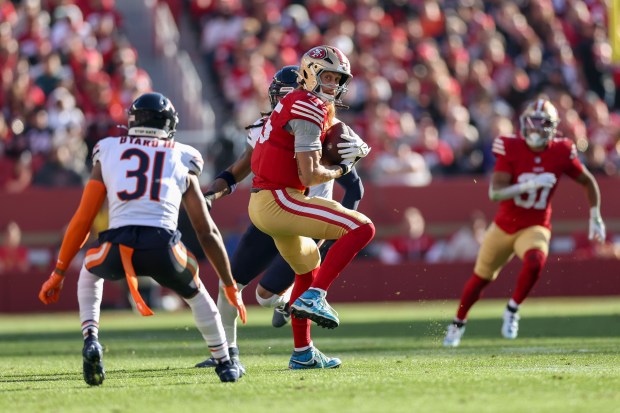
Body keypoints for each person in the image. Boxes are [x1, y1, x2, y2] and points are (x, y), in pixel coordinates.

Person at [37, 92, 247, 384]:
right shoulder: (182, 155)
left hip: (117, 245)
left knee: (89, 271)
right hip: (163, 246)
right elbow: (205, 229)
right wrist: (228, 283)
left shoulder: (108, 149)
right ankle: (225, 362)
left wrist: (58, 272)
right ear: (168, 125)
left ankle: (91, 339)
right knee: (197, 294)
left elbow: (83, 219)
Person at [195, 65, 366, 368]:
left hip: (308, 217)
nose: (291, 101)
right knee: (232, 284)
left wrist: (328, 239)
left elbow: (353, 187)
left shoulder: (325, 124)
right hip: (276, 208)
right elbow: (235, 173)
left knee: (268, 293)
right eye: (285, 96)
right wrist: (210, 196)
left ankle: (302, 344)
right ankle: (226, 352)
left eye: (295, 94)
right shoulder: (268, 127)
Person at [442, 98, 606, 347]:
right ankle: (457, 324)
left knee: (535, 261)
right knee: (480, 279)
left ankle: (512, 309)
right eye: (532, 122)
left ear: (552, 127)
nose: (536, 128)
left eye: (542, 123)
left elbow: (587, 181)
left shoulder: (561, 150)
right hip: (504, 225)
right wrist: (528, 185)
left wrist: (595, 215)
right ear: (524, 123)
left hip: (535, 224)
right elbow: (495, 193)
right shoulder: (511, 146)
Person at [249, 45, 375, 369]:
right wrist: (344, 167)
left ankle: (303, 353)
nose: (333, 84)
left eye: (337, 78)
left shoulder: (300, 103)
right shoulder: (307, 106)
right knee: (362, 227)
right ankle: (316, 296)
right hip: (280, 198)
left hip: (267, 199)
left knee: (308, 265)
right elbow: (309, 173)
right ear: (309, 73)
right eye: (327, 76)